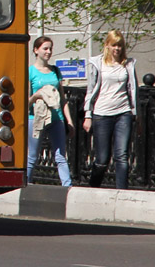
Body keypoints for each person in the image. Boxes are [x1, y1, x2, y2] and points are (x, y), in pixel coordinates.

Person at [83, 29, 138, 188]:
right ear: (107, 45)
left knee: (122, 155)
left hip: (123, 113)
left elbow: (133, 89)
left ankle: (122, 192)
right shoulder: (97, 63)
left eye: (120, 45)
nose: (117, 49)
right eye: (114, 45)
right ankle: (93, 187)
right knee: (102, 159)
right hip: (102, 114)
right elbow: (90, 89)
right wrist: (88, 114)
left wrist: (136, 114)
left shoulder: (128, 64)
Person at [27, 35, 73, 186]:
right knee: (32, 156)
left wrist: (69, 121)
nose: (48, 52)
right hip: (36, 118)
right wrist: (37, 95)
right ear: (36, 50)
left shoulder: (55, 71)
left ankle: (67, 186)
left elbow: (62, 98)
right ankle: (24, 183)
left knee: (60, 156)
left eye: (50, 49)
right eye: (45, 48)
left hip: (56, 118)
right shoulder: (31, 72)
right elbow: (26, 102)